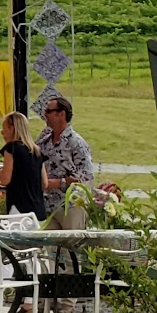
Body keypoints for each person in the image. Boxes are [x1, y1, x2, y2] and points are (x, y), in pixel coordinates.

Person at [37, 93, 96, 226]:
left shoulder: (76, 142)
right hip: (48, 205)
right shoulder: (44, 140)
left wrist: (59, 182)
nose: (45, 114)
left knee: (71, 238)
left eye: (49, 111)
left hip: (71, 205)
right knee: (44, 239)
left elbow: (87, 175)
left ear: (61, 114)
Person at [0, 111, 48, 220]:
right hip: (38, 210)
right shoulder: (36, 151)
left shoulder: (11, 148)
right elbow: (44, 183)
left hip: (19, 209)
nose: (2, 132)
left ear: (12, 128)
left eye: (4, 128)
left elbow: (5, 179)